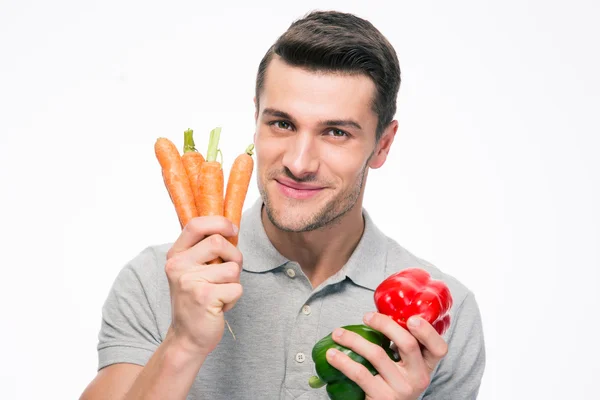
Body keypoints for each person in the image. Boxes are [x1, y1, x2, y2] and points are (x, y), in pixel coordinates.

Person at [80, 10, 485, 400]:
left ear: (382, 144)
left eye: (336, 132)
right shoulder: (158, 278)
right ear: (256, 119)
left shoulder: (446, 314)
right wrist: (183, 343)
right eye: (282, 124)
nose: (298, 162)